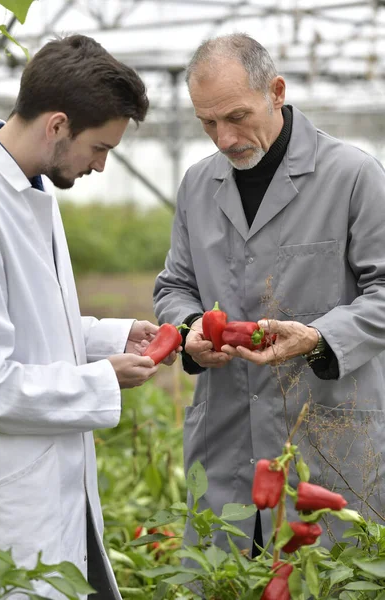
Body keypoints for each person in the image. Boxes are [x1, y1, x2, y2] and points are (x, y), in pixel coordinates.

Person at [154, 33, 385, 557]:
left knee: (326, 578)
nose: (223, 137)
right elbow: (175, 286)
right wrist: (190, 329)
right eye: (207, 123)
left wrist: (321, 336)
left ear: (276, 91)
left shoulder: (352, 176)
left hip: (326, 441)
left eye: (236, 116)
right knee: (227, 576)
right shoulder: (198, 185)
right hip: (227, 441)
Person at [0, 34, 177, 600]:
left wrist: (112, 336)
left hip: (54, 485)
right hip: (11, 498)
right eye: (100, 147)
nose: (100, 164)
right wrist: (103, 377)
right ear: (57, 125)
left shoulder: (30, 188)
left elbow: (32, 324)